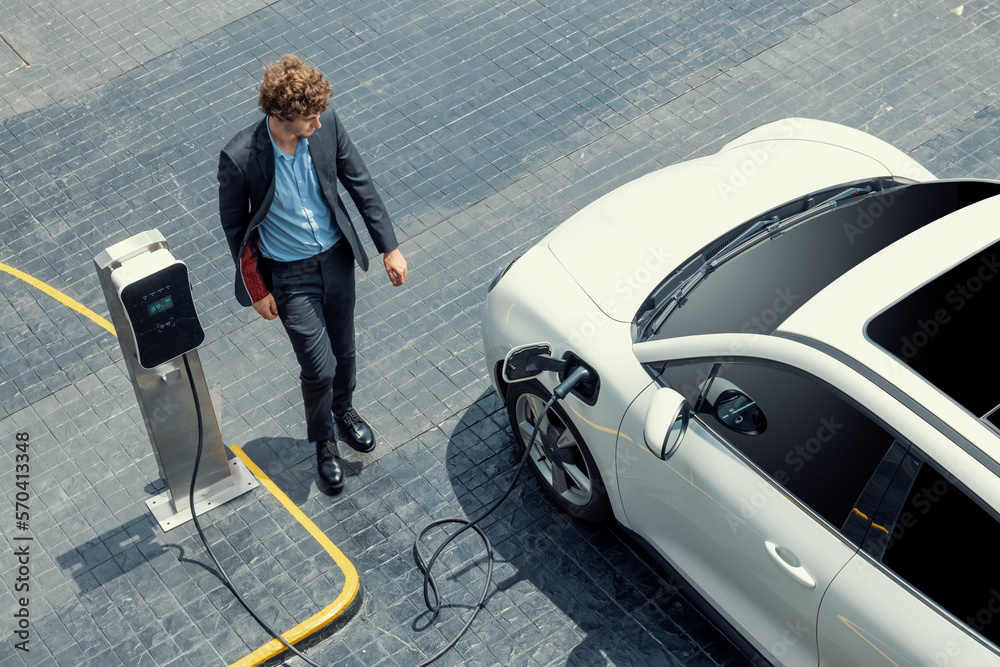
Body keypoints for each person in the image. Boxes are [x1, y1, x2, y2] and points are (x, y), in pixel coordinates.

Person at [218, 54, 407, 493]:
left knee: (344, 350)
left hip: (336, 259)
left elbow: (360, 183)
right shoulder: (241, 156)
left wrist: (389, 248)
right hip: (289, 275)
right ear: (282, 115)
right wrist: (258, 287)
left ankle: (344, 410)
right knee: (317, 365)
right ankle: (324, 443)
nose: (318, 125)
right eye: (309, 118)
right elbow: (235, 228)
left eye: (320, 114)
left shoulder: (326, 127)